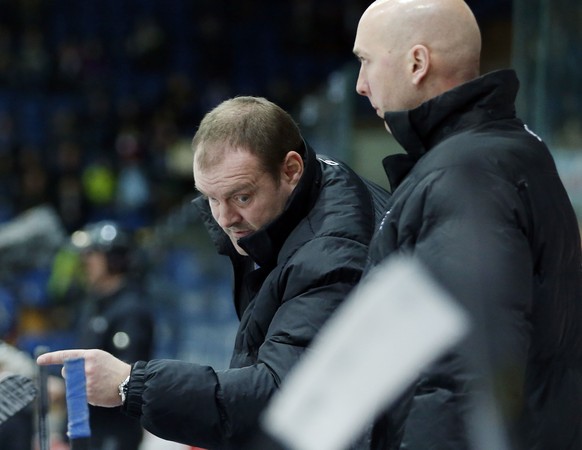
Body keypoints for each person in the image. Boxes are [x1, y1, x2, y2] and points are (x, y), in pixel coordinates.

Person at [37, 96, 391, 449]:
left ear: (291, 170)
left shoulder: (329, 252)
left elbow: (281, 397)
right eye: (210, 198)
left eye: (241, 197)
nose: (225, 219)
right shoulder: (312, 195)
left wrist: (131, 383)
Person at [352, 1, 582, 449]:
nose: (360, 85)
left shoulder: (462, 172)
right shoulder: (502, 153)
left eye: (365, 61)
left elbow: (462, 375)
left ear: (417, 62)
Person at [59, 220, 155, 450]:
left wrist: (65, 388)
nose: (85, 262)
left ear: (114, 260)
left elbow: (126, 377)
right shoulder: (92, 306)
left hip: (113, 432)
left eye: (92, 255)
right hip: (86, 427)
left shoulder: (131, 310)